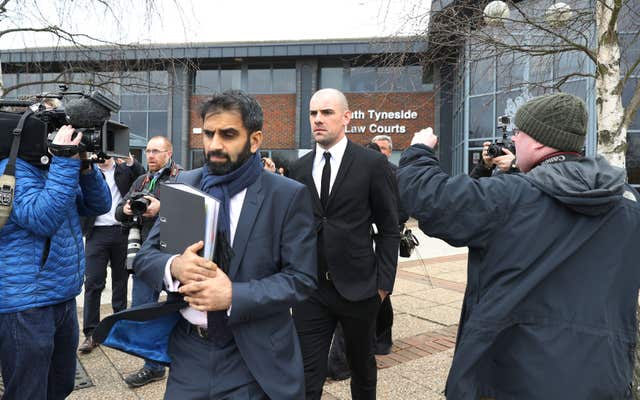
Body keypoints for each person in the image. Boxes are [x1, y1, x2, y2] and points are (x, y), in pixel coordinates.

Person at [397, 93, 640, 399]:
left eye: (518, 133)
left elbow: (429, 197)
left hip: (517, 376)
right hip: (603, 377)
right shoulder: (628, 203)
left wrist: (419, 151)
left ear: (538, 142)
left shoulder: (511, 197)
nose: (513, 140)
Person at [132, 90, 317, 399]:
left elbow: (302, 278)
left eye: (228, 134)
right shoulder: (184, 185)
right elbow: (146, 258)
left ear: (255, 140)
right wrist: (173, 265)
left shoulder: (286, 195)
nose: (215, 144)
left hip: (254, 356)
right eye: (208, 133)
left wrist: (234, 295)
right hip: (189, 352)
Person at [289, 88, 400, 399]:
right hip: (310, 291)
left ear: (346, 117)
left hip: (359, 290)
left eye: (326, 113)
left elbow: (390, 228)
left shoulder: (371, 165)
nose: (318, 120)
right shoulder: (299, 169)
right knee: (306, 374)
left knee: (362, 370)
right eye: (313, 114)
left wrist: (383, 285)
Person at [0, 124, 111, 399]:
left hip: (61, 295)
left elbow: (99, 205)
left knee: (60, 385)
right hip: (26, 303)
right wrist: (64, 162)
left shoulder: (53, 167)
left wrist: (84, 166)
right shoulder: (9, 170)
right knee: (28, 392)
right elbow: (41, 219)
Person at [114, 135, 181, 387]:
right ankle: (152, 366)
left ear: (169, 152)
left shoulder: (181, 177)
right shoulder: (141, 180)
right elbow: (118, 211)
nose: (150, 156)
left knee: (178, 310)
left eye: (156, 151)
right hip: (145, 255)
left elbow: (191, 212)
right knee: (143, 310)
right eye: (148, 151)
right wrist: (127, 210)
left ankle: (182, 361)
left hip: (173, 254)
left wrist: (162, 208)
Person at [78, 153, 144, 353]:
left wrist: (131, 161)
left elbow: (142, 176)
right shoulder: (89, 172)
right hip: (96, 233)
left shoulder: (125, 170)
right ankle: (91, 333)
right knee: (93, 282)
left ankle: (119, 326)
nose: (100, 156)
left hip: (121, 231)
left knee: (120, 281)